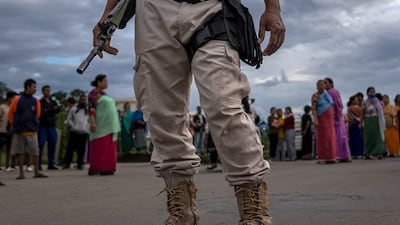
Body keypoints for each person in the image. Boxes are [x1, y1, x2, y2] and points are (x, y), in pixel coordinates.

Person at [92, 0, 285, 224]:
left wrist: (273, 8)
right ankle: (182, 212)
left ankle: (254, 209)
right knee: (161, 114)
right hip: (154, 11)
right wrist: (107, 16)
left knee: (223, 103)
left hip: (210, 6)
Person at [8, 79, 48, 179]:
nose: (35, 89)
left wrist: (33, 124)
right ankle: (21, 173)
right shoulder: (17, 99)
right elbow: (11, 113)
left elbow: (37, 114)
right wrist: (15, 124)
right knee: (20, 151)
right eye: (34, 87)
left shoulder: (36, 100)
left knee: (35, 151)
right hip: (19, 130)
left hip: (32, 130)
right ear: (28, 87)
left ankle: (36, 172)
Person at [88, 74, 120, 175]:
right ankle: (97, 167)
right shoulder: (93, 94)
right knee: (100, 147)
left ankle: (108, 168)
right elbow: (91, 109)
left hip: (110, 125)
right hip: (101, 125)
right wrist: (92, 121)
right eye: (105, 81)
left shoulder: (103, 94)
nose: (107, 83)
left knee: (109, 148)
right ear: (99, 82)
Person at [324, 77, 352, 162]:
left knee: (338, 137)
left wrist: (334, 116)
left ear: (331, 84)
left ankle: (339, 155)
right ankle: (344, 155)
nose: (325, 85)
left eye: (326, 83)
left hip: (335, 118)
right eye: (324, 83)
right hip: (338, 117)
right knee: (342, 137)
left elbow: (336, 105)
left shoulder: (331, 92)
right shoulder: (333, 92)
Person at [311, 80, 337, 164]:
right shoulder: (315, 95)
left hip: (329, 119)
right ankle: (323, 157)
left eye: (322, 84)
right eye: (319, 84)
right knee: (322, 138)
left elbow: (331, 104)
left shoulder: (327, 95)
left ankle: (331, 157)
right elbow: (313, 108)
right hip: (321, 118)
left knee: (330, 137)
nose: (321, 86)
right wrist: (315, 119)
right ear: (316, 86)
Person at [63, 95, 89, 170]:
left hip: (83, 132)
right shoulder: (73, 109)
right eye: (82, 100)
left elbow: (91, 119)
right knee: (70, 149)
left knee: (82, 150)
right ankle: (67, 163)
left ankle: (80, 164)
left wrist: (87, 128)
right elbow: (69, 119)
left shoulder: (88, 109)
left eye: (85, 100)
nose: (83, 101)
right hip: (74, 132)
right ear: (79, 100)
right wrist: (73, 126)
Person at [38, 85, 61, 170]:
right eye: (46, 90)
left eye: (49, 90)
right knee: (41, 144)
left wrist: (49, 110)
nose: (48, 92)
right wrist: (52, 110)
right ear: (43, 91)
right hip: (43, 126)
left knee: (52, 145)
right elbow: (43, 112)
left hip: (52, 126)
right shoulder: (40, 102)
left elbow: (58, 109)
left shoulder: (53, 101)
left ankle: (51, 163)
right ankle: (38, 163)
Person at [360, 87, 386, 159]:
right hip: (368, 120)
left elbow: (381, 112)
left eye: (373, 91)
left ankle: (379, 153)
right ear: (367, 93)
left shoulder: (378, 101)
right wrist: (360, 122)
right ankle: (367, 153)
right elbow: (362, 113)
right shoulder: (364, 102)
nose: (372, 93)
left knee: (378, 136)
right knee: (368, 137)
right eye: (371, 92)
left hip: (377, 120)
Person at [0, 91, 17, 171]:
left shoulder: (14, 108)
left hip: (12, 130)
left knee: (9, 148)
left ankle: (8, 165)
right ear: (9, 98)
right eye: (13, 98)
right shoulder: (2, 107)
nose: (14, 100)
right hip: (2, 130)